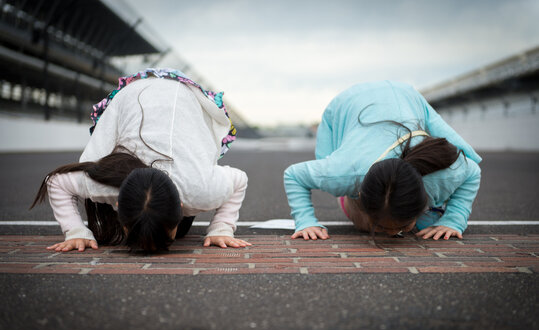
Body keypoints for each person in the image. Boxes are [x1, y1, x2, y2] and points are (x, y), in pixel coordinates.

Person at [31, 68, 251, 252]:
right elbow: (56, 181)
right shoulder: (106, 185)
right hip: (135, 97)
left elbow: (239, 180)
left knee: (199, 167)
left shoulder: (200, 187)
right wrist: (75, 232)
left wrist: (222, 227)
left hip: (179, 97)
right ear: (117, 204)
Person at [284, 80, 481, 241]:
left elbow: (473, 171)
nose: (394, 234)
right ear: (361, 192)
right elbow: (294, 175)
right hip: (345, 104)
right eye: (385, 226)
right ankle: (362, 208)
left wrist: (453, 221)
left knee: (417, 225)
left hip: (406, 96)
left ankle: (411, 214)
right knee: (366, 224)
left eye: (402, 226)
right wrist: (306, 222)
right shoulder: (345, 172)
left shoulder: (441, 176)